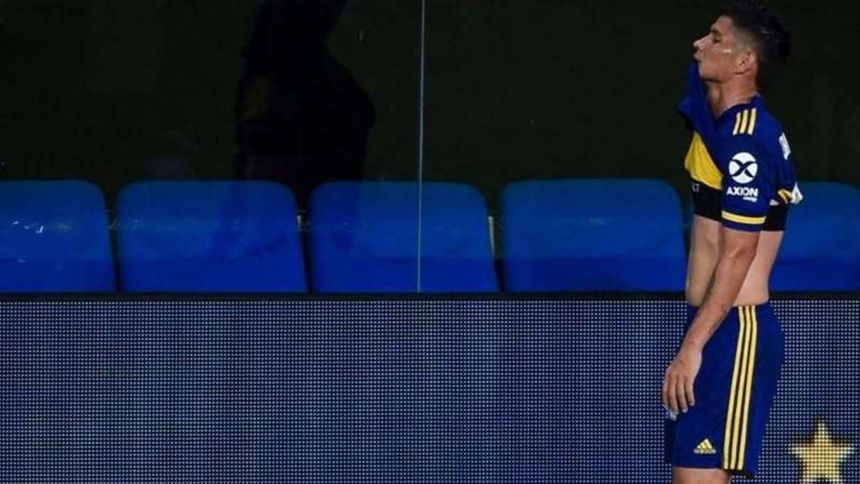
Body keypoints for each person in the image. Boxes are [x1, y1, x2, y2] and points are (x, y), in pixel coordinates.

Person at [662, 1, 800, 482]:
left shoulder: (748, 142)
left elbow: (738, 253)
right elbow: (696, 70)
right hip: (710, 324)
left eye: (716, 39)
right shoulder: (713, 117)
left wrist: (692, 347)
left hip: (734, 332)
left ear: (745, 62)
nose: (699, 44)